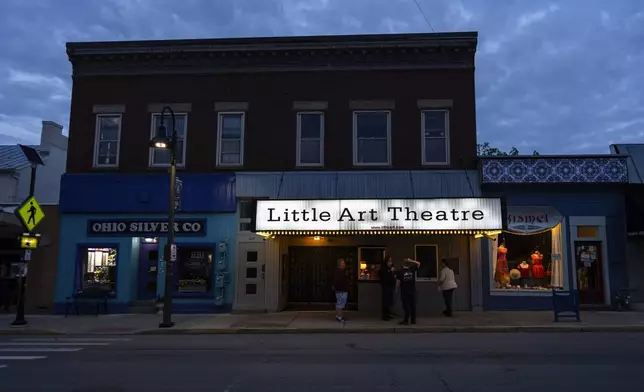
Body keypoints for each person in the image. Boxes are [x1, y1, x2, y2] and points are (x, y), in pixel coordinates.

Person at [396, 258, 420, 325]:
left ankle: (406, 320)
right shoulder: (412, 269)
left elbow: (398, 282)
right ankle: (413, 320)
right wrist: (411, 260)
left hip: (404, 291)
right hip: (412, 291)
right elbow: (418, 263)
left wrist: (396, 290)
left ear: (402, 264)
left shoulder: (400, 272)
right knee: (412, 305)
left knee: (406, 306)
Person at [379, 255, 396, 321]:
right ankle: (385, 315)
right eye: (389, 261)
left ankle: (388, 314)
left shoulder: (390, 269)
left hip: (390, 287)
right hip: (386, 287)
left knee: (389, 301)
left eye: (391, 261)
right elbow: (384, 278)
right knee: (385, 301)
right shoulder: (384, 269)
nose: (390, 262)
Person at [332, 258, 349, 323]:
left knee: (340, 303)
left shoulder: (342, 271)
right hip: (341, 289)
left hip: (341, 289)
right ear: (340, 264)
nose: (344, 264)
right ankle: (340, 316)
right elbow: (337, 280)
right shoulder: (339, 271)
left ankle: (339, 315)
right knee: (340, 303)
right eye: (343, 263)